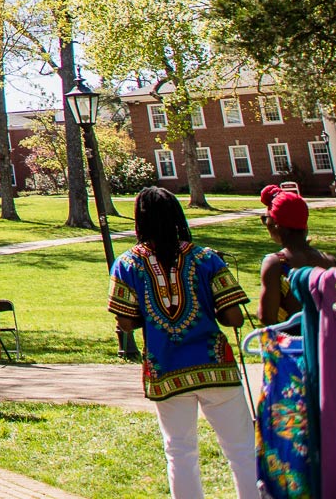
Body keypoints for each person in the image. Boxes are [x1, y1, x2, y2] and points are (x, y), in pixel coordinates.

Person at [110, 188, 255, 499]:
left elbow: (125, 323)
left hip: (166, 368)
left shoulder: (127, 265)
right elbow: (233, 318)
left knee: (179, 450)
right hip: (215, 366)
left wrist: (145, 317)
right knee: (241, 449)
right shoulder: (206, 258)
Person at [258, 185, 336, 324]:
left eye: (265, 219)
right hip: (330, 342)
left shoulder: (276, 263)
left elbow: (267, 317)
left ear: (275, 224)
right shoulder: (330, 261)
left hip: (295, 342)